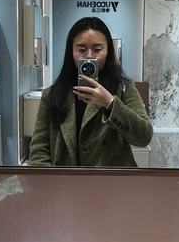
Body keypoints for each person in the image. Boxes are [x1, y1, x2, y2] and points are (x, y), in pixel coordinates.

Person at [28, 17, 152, 167]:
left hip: (111, 180)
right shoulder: (52, 94)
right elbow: (39, 149)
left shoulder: (123, 88)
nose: (89, 55)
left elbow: (144, 136)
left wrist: (110, 103)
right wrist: (52, 179)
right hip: (65, 180)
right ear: (71, 52)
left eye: (97, 49)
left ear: (108, 51)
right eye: (81, 49)